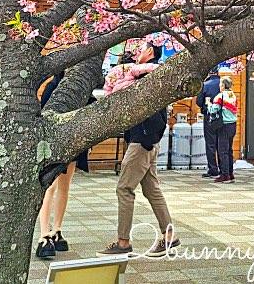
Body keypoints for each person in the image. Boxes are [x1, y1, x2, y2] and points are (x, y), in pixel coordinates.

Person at [100, 41, 178, 258]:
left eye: (141, 49)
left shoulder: (145, 76)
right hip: (148, 140)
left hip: (142, 141)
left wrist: (146, 139)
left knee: (124, 189)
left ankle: (123, 241)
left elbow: (153, 114)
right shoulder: (148, 76)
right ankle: (170, 236)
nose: (137, 54)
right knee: (152, 189)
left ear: (150, 52)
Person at [35, 72, 91, 259]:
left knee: (61, 187)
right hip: (59, 144)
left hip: (71, 143)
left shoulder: (73, 84)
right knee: (51, 187)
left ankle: (55, 230)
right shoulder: (58, 85)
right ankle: (44, 234)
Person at [211, 75, 239, 183]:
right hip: (233, 125)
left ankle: (225, 175)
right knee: (229, 150)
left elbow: (214, 110)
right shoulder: (233, 95)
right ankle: (230, 173)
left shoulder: (220, 96)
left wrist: (208, 104)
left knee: (222, 151)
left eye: (220, 84)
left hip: (223, 125)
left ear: (223, 85)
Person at [196, 67, 223, 178]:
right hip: (223, 117)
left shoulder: (205, 85)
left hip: (209, 116)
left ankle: (213, 169)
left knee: (210, 143)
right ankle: (224, 169)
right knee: (222, 143)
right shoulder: (223, 83)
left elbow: (198, 102)